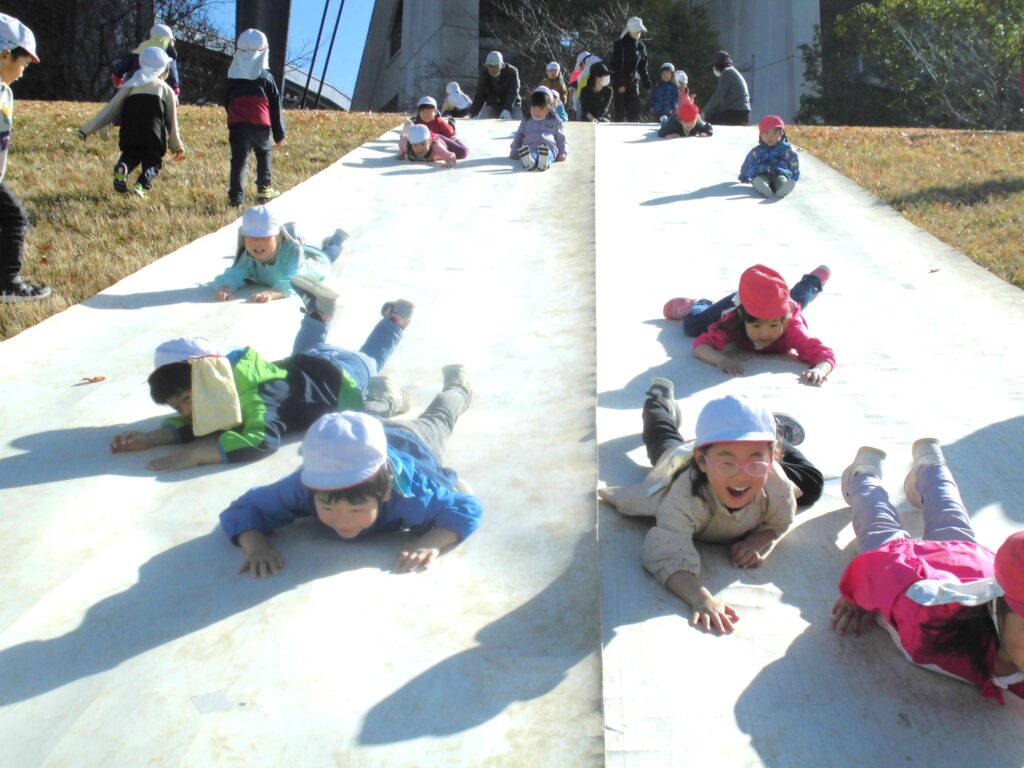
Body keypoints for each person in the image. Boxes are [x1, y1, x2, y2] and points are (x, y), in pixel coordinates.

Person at [109, 285, 415, 472]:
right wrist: (151, 438)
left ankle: (396, 321)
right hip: (309, 362)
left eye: (187, 399)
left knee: (372, 360)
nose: (186, 412)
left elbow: (263, 439)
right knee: (303, 353)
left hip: (342, 380)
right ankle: (318, 317)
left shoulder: (256, 394)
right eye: (178, 408)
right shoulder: (224, 381)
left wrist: (202, 454)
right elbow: (201, 421)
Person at [599, 389, 821, 634]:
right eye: (728, 462)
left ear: (772, 460)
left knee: (812, 484)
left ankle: (776, 433)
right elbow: (666, 553)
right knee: (662, 439)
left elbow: (779, 521)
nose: (741, 474)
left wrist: (757, 541)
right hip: (679, 460)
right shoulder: (686, 495)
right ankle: (658, 400)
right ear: (703, 461)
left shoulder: (776, 484)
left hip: (756, 455)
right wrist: (700, 598)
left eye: (756, 460)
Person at [220, 370, 481, 577]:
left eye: (356, 510)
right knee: (363, 417)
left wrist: (431, 542)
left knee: (440, 417)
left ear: (386, 490)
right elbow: (244, 508)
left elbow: (465, 507)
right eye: (329, 508)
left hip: (412, 441)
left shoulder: (411, 493)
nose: (343, 521)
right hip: (365, 436)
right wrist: (257, 547)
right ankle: (384, 394)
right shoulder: (304, 486)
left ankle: (458, 387)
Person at [834, 441, 1024, 703]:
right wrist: (856, 595)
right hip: (909, 565)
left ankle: (930, 464)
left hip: (969, 563)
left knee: (949, 509)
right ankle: (863, 474)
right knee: (875, 519)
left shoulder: (1016, 641)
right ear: (1001, 607)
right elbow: (883, 570)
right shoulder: (928, 617)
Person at [667, 264, 835, 385]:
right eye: (756, 326)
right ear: (742, 318)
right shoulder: (733, 319)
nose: (765, 333)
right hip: (745, 298)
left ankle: (813, 281)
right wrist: (720, 359)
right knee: (693, 327)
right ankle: (699, 304)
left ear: (784, 318)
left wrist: (820, 369)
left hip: (780, 300)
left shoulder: (792, 326)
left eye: (773, 325)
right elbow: (701, 345)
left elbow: (823, 353)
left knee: (799, 299)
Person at [79, 47, 185, 199]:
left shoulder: (129, 86)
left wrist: (86, 130)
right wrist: (177, 146)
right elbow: (172, 121)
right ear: (163, 70)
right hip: (152, 134)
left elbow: (110, 109)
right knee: (153, 161)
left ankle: (123, 169)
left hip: (130, 132)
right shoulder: (164, 89)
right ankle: (141, 185)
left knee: (130, 155)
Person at [0, 14, 48, 302]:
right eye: (23, 64)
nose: (23, 71)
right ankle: (8, 283)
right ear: (5, 54)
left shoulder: (4, 91)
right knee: (15, 217)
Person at [213, 205, 342, 303]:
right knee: (299, 244)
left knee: (329, 254)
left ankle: (336, 240)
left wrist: (272, 293)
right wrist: (226, 287)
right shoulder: (248, 256)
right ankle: (295, 234)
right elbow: (234, 273)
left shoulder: (292, 253)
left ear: (278, 236)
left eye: (265, 238)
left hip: (313, 262)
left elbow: (294, 280)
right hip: (294, 249)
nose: (257, 244)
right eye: (251, 238)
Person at [225, 29, 285, 207]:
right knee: (264, 152)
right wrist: (279, 133)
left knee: (238, 161)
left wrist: (233, 117)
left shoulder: (232, 76)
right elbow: (275, 105)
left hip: (238, 126)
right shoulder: (266, 76)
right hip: (260, 124)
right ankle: (264, 187)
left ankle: (236, 197)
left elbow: (226, 100)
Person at [110, 23, 180, 96]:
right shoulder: (169, 51)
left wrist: (117, 75)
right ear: (169, 39)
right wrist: (175, 86)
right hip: (155, 87)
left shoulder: (141, 47)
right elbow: (172, 70)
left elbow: (124, 64)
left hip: (133, 84)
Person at [739, 115, 800, 199]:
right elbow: (749, 161)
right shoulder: (758, 151)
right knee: (759, 179)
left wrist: (795, 175)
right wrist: (744, 175)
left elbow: (793, 161)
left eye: (775, 133)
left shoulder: (785, 150)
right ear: (761, 135)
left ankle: (783, 189)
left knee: (781, 179)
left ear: (781, 133)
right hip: (761, 172)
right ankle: (762, 187)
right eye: (766, 133)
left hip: (780, 172)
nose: (770, 137)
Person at [509, 88, 567, 171]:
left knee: (550, 153)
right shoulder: (527, 120)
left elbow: (560, 138)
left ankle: (544, 161)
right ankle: (529, 161)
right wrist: (514, 150)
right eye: (533, 109)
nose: (536, 113)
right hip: (530, 146)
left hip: (549, 147)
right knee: (531, 153)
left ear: (548, 109)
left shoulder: (554, 121)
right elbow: (519, 135)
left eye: (540, 110)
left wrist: (562, 152)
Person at [609, 16, 651, 122]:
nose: (638, 33)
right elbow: (615, 66)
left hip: (633, 83)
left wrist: (647, 85)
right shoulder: (619, 44)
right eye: (636, 30)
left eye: (639, 31)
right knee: (620, 114)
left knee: (634, 112)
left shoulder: (641, 47)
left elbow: (642, 67)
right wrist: (620, 84)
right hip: (619, 83)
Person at [468, 51, 521, 120]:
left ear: (501, 64)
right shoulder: (484, 74)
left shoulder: (512, 72)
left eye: (495, 66)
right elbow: (480, 95)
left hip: (513, 105)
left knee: (518, 124)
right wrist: (471, 113)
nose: (492, 69)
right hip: (493, 106)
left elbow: (513, 92)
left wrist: (507, 109)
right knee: (482, 122)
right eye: (489, 66)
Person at [703, 50, 750, 126]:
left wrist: (704, 112)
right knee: (716, 116)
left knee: (709, 120)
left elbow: (717, 96)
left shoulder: (727, 72)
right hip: (743, 113)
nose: (713, 69)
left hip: (736, 113)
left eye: (714, 66)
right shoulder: (733, 72)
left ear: (719, 65)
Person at [397, 124, 467, 167]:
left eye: (422, 144)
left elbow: (449, 155)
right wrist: (402, 153)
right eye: (415, 145)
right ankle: (408, 127)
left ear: (429, 141)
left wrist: (450, 161)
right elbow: (402, 140)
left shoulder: (436, 146)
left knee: (463, 153)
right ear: (411, 144)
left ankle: (454, 139)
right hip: (425, 137)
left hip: (439, 138)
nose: (420, 149)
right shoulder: (407, 146)